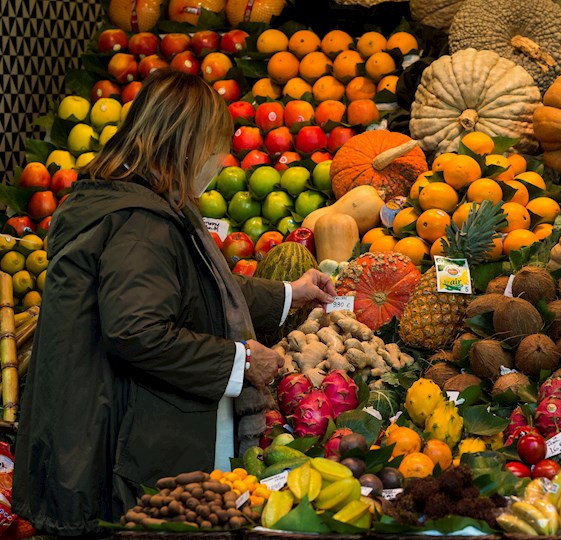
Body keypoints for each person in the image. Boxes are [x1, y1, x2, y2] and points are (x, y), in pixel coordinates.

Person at [12, 69, 336, 537]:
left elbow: (195, 287)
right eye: (215, 147)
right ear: (187, 146)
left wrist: (291, 292)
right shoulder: (141, 223)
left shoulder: (135, 203)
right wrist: (240, 361)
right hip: (111, 443)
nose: (221, 161)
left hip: (104, 429)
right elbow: (138, 331)